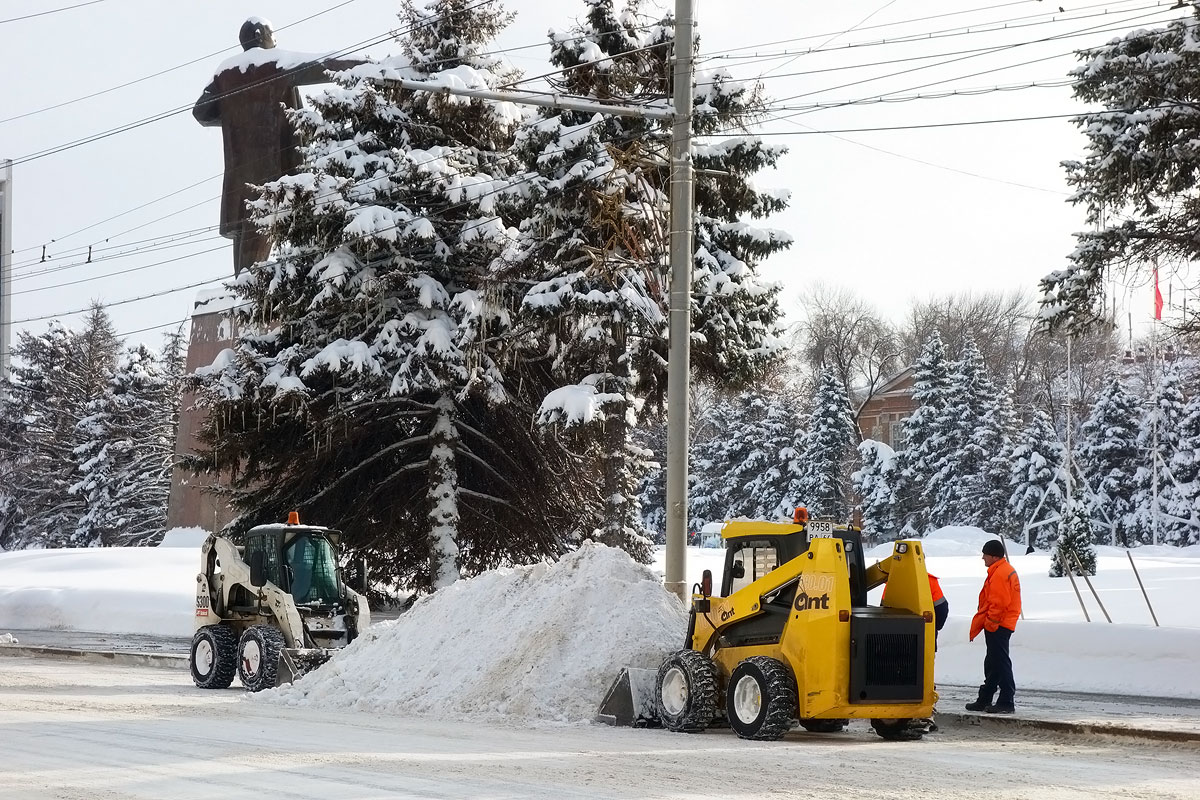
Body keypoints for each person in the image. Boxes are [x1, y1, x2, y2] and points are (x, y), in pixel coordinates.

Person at [194, 19, 365, 275]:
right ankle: (249, 298)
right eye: (273, 34)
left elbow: (202, 111)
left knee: (246, 237)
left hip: (240, 177)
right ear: (260, 35)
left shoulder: (224, 74)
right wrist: (369, 65)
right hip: (275, 168)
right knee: (263, 232)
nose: (276, 41)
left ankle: (243, 292)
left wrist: (238, 114)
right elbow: (322, 66)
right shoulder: (274, 64)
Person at [966, 539, 1022, 714]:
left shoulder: (1000, 574)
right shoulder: (1002, 570)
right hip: (1002, 623)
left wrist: (991, 623)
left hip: (999, 624)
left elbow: (999, 602)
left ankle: (1006, 700)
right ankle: (985, 698)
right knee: (993, 662)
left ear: (993, 556)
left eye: (985, 554)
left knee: (1000, 662)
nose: (983, 558)